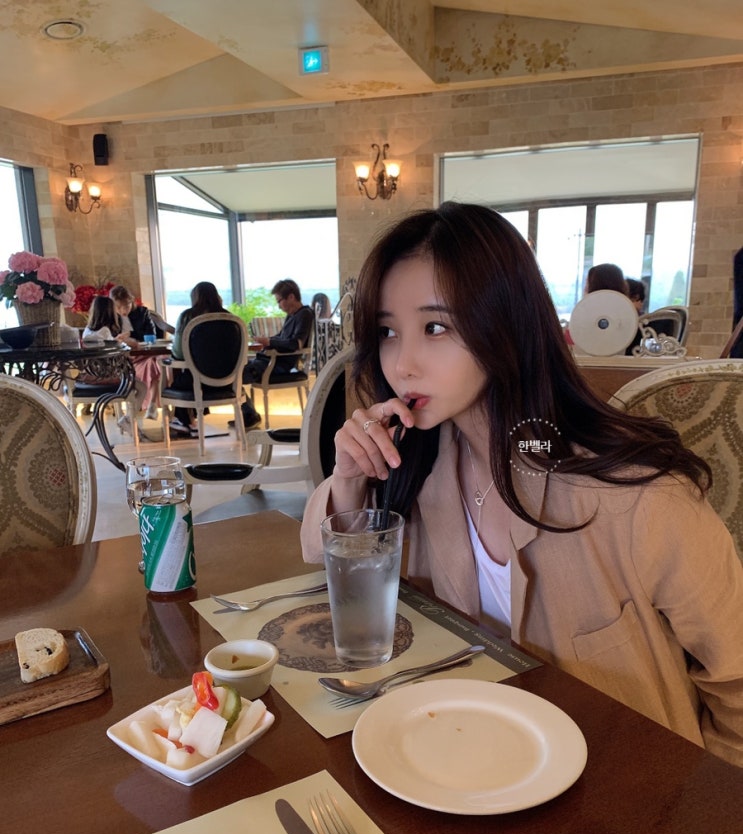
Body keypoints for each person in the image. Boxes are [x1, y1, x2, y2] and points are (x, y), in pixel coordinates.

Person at [300, 202, 743, 767]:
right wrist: (347, 480)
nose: (402, 363)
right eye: (388, 332)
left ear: (506, 323)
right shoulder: (417, 470)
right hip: (464, 764)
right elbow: (320, 559)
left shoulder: (638, 496)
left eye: (435, 327)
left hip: (630, 793)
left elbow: (737, 683)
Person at [237, 279, 314, 428]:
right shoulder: (292, 316)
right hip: (269, 361)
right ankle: (250, 414)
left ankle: (250, 414)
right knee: (235, 373)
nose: (279, 306)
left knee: (235, 377)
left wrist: (269, 342)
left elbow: (295, 344)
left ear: (291, 297)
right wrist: (266, 341)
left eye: (279, 301)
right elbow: (281, 337)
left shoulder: (305, 314)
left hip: (278, 364)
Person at [167, 281, 229, 437]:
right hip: (228, 382)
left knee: (180, 380)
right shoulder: (230, 317)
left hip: (197, 382)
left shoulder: (188, 316)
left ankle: (183, 420)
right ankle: (187, 421)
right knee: (190, 378)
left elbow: (179, 353)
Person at [109, 285, 161, 418]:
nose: (123, 310)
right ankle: (151, 406)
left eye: (126, 306)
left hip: (143, 354)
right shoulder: (110, 317)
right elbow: (109, 338)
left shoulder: (142, 312)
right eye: (118, 307)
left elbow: (151, 335)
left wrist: (131, 334)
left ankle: (150, 406)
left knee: (153, 362)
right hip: (124, 358)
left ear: (132, 302)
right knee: (153, 364)